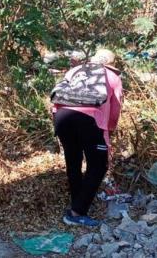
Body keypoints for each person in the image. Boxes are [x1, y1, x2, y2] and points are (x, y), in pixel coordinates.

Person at [52, 49, 123, 227]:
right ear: (111, 64)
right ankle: (76, 213)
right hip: (90, 120)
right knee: (98, 165)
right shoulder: (112, 76)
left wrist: (57, 118)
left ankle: (76, 201)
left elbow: (58, 97)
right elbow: (114, 109)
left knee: (73, 159)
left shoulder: (76, 70)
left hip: (62, 117)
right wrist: (108, 131)